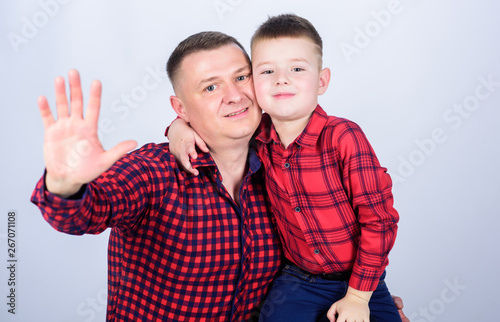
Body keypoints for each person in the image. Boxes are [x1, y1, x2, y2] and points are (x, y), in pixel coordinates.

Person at [30, 32, 284, 321]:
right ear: (180, 109)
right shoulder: (153, 171)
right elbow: (86, 213)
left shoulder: (282, 165)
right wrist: (64, 184)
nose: (235, 96)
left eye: (241, 77)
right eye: (211, 87)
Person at [168, 14, 403, 322]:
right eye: (267, 71)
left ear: (322, 81)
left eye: (296, 69)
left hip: (361, 280)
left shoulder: (343, 137)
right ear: (255, 83)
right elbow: (216, 123)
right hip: (298, 279)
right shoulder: (258, 137)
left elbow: (380, 220)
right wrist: (178, 127)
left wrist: (358, 297)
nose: (281, 79)